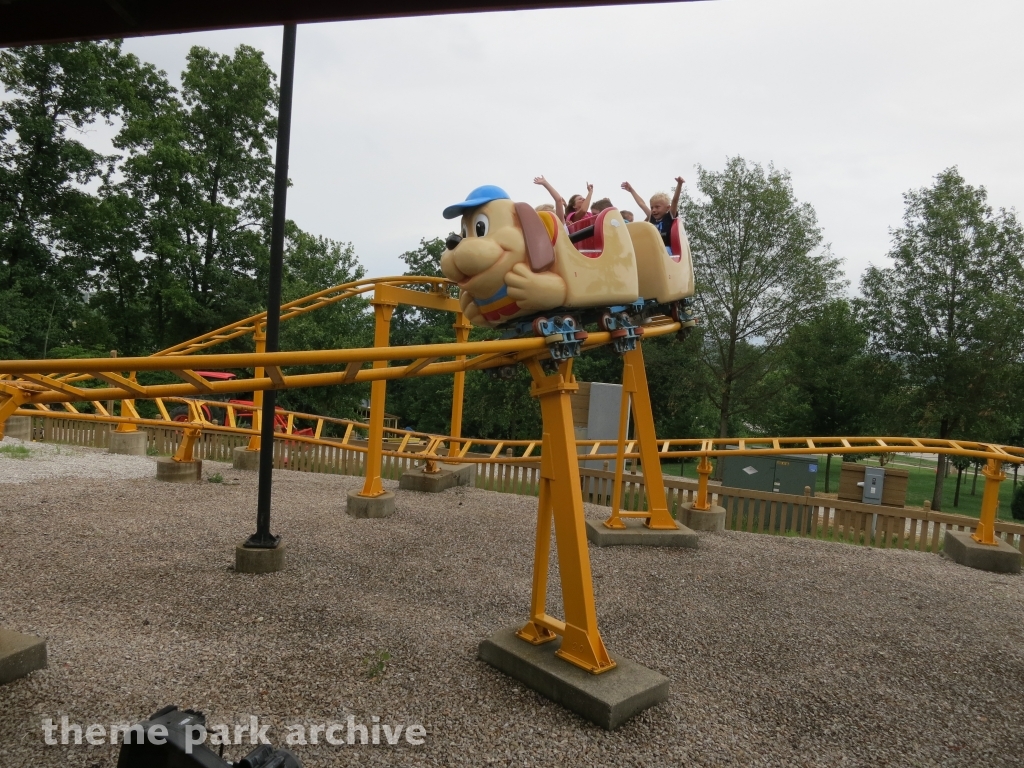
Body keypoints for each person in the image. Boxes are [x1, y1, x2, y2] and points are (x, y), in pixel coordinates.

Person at [621, 177, 684, 251]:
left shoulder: (669, 216)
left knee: (664, 250)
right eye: (652, 207)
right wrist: (631, 190)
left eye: (657, 207)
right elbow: (641, 204)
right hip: (653, 249)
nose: (653, 210)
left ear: (667, 208)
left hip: (666, 249)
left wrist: (679, 184)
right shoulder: (652, 217)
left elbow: (675, 201)